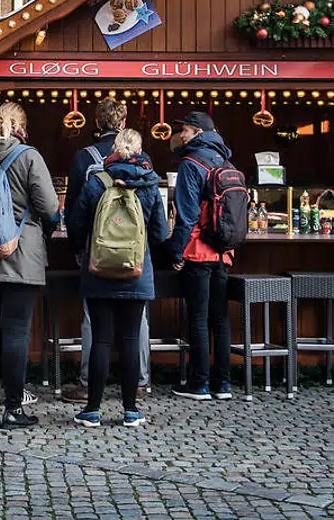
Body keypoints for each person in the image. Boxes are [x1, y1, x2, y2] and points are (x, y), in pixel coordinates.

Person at [66, 128, 170, 427]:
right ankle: (130, 410)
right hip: (136, 271)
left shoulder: (97, 182)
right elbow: (161, 233)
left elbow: (76, 224)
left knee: (100, 339)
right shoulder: (149, 185)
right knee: (130, 339)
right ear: (140, 151)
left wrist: (82, 251)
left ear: (113, 149)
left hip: (98, 269)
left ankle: (93, 410)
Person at [0, 101, 58, 429]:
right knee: (16, 334)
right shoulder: (28, 156)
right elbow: (49, 206)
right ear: (20, 125)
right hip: (21, 254)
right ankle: (13, 408)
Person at [61, 97, 155, 403]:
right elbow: (156, 221)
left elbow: (73, 213)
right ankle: (139, 384)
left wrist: (79, 248)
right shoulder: (144, 164)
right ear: (124, 123)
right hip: (136, 256)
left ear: (97, 124)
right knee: (137, 322)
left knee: (94, 321)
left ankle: (88, 385)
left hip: (97, 251)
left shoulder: (83, 159)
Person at [162, 111, 234, 401]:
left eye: (185, 132)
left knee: (199, 318)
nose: (181, 136)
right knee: (221, 318)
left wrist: (175, 251)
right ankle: (224, 384)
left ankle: (199, 384)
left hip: (198, 252)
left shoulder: (191, 163)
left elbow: (187, 214)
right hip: (223, 252)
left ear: (197, 133)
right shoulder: (226, 162)